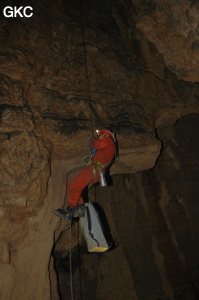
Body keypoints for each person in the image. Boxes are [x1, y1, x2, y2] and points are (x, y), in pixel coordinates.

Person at [53, 129, 116, 221]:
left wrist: (92, 142)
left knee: (75, 184)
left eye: (100, 136)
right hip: (96, 170)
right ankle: (80, 208)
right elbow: (101, 149)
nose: (99, 137)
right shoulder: (109, 147)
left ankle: (70, 211)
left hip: (95, 169)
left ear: (104, 135)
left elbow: (99, 144)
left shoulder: (108, 139)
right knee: (72, 184)